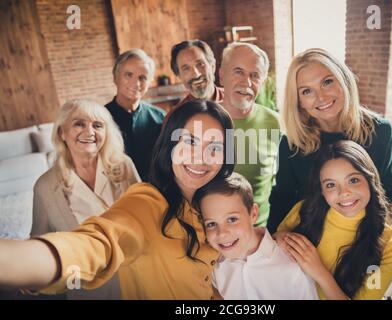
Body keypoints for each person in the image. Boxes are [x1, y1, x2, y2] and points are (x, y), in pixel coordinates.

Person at [0, 100, 234, 300]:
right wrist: (13, 260)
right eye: (190, 142)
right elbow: (98, 241)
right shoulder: (148, 202)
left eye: (214, 147)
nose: (201, 157)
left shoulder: (215, 203)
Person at [267, 48, 392, 269]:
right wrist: (274, 238)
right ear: (299, 102)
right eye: (307, 91)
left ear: (343, 80)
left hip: (363, 245)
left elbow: (390, 189)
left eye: (327, 82)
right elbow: (282, 198)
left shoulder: (380, 132)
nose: (321, 97)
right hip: (311, 246)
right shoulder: (291, 144)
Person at [31, 99, 140, 299]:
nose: (89, 132)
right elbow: (39, 241)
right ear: (62, 133)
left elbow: (145, 217)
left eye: (97, 125)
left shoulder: (124, 166)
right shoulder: (45, 187)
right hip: (90, 288)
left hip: (138, 277)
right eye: (79, 124)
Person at [274, 140, 392, 300]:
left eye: (353, 180)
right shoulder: (304, 210)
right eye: (330, 185)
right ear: (322, 191)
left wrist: (319, 272)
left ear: (370, 180)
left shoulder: (391, 246)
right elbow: (275, 243)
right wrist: (279, 237)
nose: (344, 192)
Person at [192, 172, 318, 300]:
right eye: (211, 224)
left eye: (232, 219)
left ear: (253, 214)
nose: (222, 233)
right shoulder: (213, 267)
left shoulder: (291, 263)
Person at [219, 42, 281, 227]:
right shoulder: (202, 121)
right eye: (238, 71)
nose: (246, 82)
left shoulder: (274, 122)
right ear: (221, 75)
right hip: (214, 238)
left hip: (263, 233)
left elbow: (279, 182)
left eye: (254, 76)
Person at [105, 49, 166, 182]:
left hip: (157, 191)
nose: (136, 83)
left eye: (142, 78)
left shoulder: (160, 117)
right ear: (115, 77)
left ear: (149, 83)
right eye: (128, 75)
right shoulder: (99, 119)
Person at [170, 40, 224, 104]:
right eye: (186, 69)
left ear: (212, 66)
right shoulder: (177, 113)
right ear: (179, 76)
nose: (196, 74)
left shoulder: (236, 100)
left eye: (200, 64)